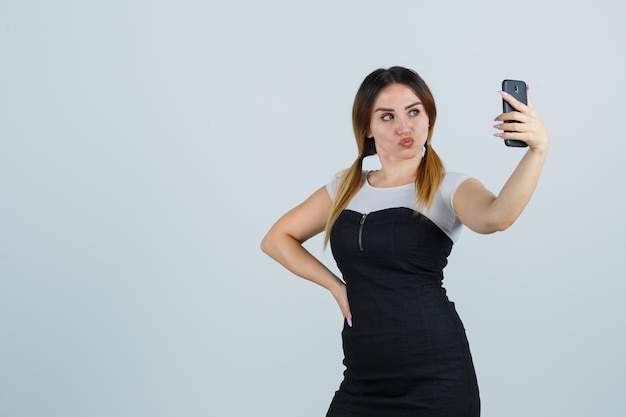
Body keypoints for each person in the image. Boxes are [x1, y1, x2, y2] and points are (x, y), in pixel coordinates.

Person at [260, 66, 549, 417]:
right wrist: (337, 288)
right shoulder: (344, 189)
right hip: (363, 380)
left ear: (429, 118)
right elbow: (276, 239)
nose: (404, 127)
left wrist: (537, 152)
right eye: (387, 116)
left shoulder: (449, 187)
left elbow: (497, 216)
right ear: (368, 127)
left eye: (414, 112)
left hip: (436, 379)